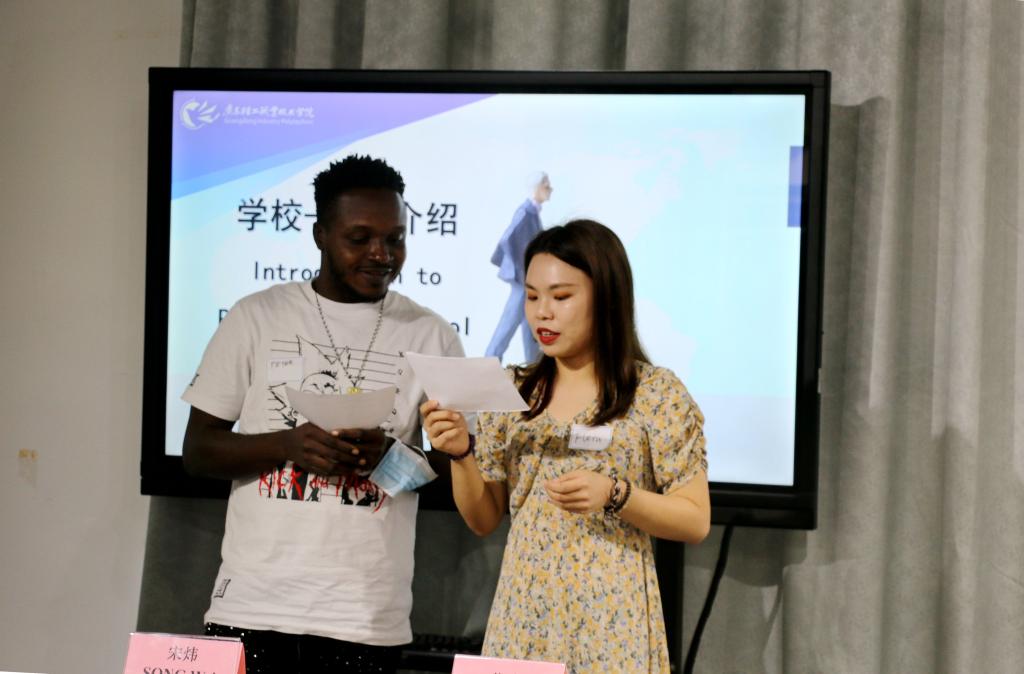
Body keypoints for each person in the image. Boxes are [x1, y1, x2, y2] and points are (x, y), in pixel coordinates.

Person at [182, 154, 464, 674]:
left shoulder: (432, 334)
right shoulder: (256, 316)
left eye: (395, 239)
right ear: (320, 235)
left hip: (365, 617)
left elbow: (463, 476)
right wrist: (286, 445)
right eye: (360, 238)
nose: (382, 254)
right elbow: (198, 451)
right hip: (252, 606)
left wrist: (391, 458)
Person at [422, 219, 710, 673]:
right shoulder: (511, 391)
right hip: (523, 617)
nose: (542, 313)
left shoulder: (655, 393)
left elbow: (694, 520)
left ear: (606, 297)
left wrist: (615, 494)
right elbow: (483, 519)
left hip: (614, 622)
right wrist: (461, 454)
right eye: (532, 296)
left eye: (561, 297)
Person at [484, 171, 553, 363]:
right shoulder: (525, 212)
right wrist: (519, 268)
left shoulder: (532, 212)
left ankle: (534, 366)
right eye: (546, 185)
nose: (550, 189)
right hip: (522, 282)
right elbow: (507, 240)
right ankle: (489, 362)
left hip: (528, 282)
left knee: (530, 327)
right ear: (537, 188)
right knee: (507, 326)